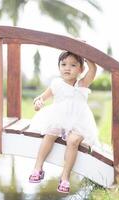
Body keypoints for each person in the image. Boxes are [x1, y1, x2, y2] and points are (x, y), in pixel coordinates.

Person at [28, 51, 100, 194]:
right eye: (64, 64)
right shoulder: (56, 83)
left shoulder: (82, 84)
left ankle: (65, 176)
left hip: (79, 122)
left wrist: (82, 50)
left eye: (73, 65)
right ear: (59, 67)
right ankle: (38, 167)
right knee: (49, 134)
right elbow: (41, 97)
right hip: (59, 119)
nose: (67, 68)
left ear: (81, 69)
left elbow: (94, 69)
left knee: (73, 141)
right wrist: (38, 103)